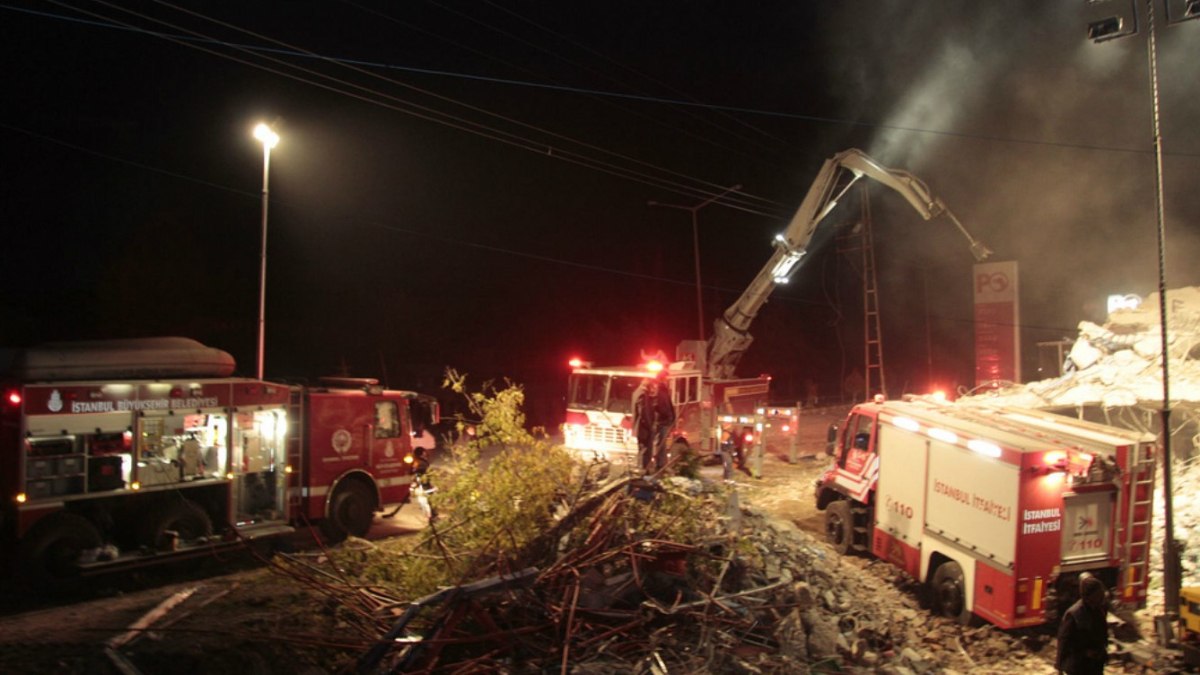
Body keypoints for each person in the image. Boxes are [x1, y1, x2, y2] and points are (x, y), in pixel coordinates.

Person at [1056, 574, 1109, 675]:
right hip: (1079, 666)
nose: (1102, 595)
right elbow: (1064, 641)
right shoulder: (1074, 614)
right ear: (1089, 595)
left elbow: (1102, 633)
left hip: (1095, 665)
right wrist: (1060, 667)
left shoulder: (1099, 610)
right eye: (1099, 593)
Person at [632, 375, 676, 474]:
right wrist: (650, 425)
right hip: (644, 428)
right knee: (646, 449)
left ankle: (645, 469)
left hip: (644, 427)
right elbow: (644, 412)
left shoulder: (639, 393)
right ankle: (644, 470)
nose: (652, 387)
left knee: (646, 449)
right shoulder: (642, 394)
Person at [411, 447, 436, 522]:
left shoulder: (417, 462)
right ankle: (432, 515)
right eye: (424, 452)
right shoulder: (422, 463)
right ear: (422, 453)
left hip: (423, 484)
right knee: (429, 500)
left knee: (427, 501)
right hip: (425, 484)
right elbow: (423, 472)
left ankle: (431, 514)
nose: (425, 453)